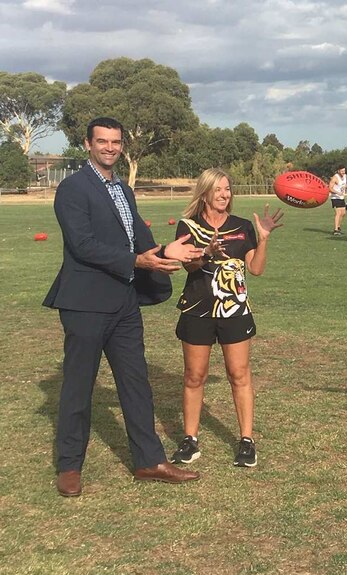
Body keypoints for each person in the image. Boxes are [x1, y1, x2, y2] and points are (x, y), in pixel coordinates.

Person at [44, 117, 203, 497]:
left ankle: (149, 461)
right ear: (87, 144)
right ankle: (69, 465)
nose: (110, 148)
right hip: (84, 303)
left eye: (116, 142)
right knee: (78, 388)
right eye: (103, 141)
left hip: (124, 303)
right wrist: (137, 262)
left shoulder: (123, 190)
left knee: (136, 384)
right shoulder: (72, 188)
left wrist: (170, 253)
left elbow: (140, 240)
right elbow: (83, 246)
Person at [171, 168, 283, 468]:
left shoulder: (243, 226)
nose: (224, 195)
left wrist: (263, 239)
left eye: (228, 189)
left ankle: (246, 440)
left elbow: (256, 269)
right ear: (205, 192)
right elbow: (190, 269)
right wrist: (205, 253)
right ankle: (190, 439)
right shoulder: (188, 227)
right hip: (198, 311)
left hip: (235, 312)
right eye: (218, 189)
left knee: (239, 374)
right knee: (194, 377)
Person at [328, 166, 347, 236]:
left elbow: (345, 185)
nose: (343, 172)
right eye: (342, 171)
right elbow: (330, 188)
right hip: (335, 197)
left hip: (342, 197)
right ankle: (335, 230)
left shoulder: (345, 176)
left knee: (343, 213)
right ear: (338, 171)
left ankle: (338, 227)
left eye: (344, 171)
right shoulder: (335, 177)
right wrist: (337, 192)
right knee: (338, 213)